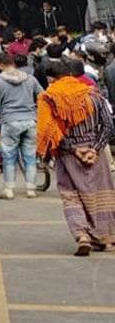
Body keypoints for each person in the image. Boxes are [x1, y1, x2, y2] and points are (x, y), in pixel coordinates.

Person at [37, 58, 115, 255]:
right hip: (95, 152)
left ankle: (82, 235)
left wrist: (74, 149)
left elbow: (51, 133)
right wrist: (95, 149)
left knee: (71, 196)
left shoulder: (49, 98)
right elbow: (108, 126)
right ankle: (106, 240)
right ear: (71, 75)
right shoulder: (93, 95)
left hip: (68, 155)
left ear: (51, 79)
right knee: (101, 194)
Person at [0, 52, 43, 200]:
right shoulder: (30, 78)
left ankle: (9, 189)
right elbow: (42, 95)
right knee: (30, 155)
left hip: (9, 120)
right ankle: (31, 188)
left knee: (9, 156)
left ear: (0, 66)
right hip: (30, 120)